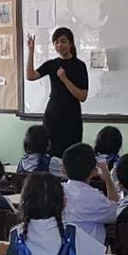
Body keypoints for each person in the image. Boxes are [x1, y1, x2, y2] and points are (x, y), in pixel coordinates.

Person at [26, 28, 88, 158]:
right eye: (56, 42)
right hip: (52, 116)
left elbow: (82, 96)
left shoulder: (79, 66)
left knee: (72, 156)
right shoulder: (52, 64)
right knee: (50, 154)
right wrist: (31, 51)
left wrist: (65, 79)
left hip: (71, 116)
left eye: (63, 41)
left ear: (71, 43)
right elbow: (30, 76)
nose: (59, 45)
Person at [62, 143, 118, 244]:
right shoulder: (94, 198)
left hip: (61, 250)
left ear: (63, 170)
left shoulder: (56, 191)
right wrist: (108, 179)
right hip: (89, 251)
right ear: (94, 171)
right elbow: (115, 212)